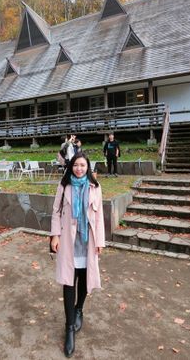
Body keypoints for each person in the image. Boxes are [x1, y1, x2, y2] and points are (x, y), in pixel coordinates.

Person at [50, 152, 105, 358]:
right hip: (67, 240)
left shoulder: (95, 187)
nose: (79, 168)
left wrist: (100, 242)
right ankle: (69, 327)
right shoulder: (64, 186)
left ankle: (79, 309)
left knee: (84, 278)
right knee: (68, 281)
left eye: (82, 165)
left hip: (87, 241)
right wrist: (54, 236)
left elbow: (99, 216)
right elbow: (56, 211)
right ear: (71, 166)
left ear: (87, 167)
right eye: (76, 165)